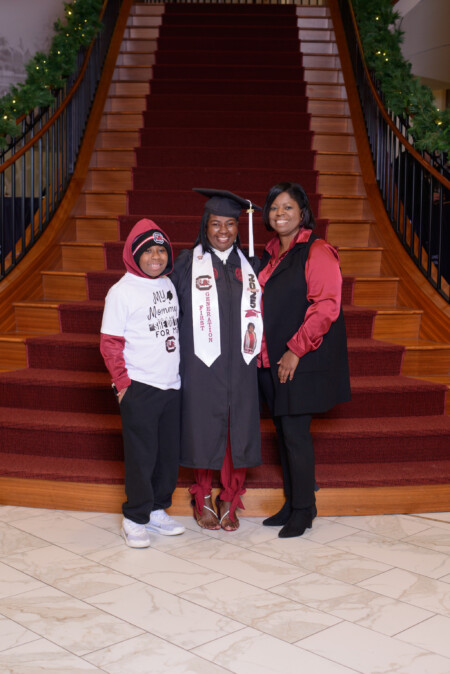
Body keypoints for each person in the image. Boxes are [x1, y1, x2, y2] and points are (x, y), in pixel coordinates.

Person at [258, 182, 351, 538]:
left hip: (299, 357)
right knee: (282, 433)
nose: (280, 214)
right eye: (274, 208)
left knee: (295, 434)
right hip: (269, 358)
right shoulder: (269, 253)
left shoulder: (318, 250)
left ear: (302, 213)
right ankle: (292, 502)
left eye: (288, 207)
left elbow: (326, 306)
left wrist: (295, 349)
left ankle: (304, 510)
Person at [171, 189, 263, 531]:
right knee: (203, 426)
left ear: (239, 228)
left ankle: (230, 497)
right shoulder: (185, 263)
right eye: (215, 224)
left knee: (235, 428)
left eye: (230, 224)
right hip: (201, 363)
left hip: (241, 363)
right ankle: (202, 495)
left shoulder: (251, 266)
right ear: (204, 226)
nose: (222, 231)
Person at [100, 218, 185, 548]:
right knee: (141, 456)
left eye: (161, 250)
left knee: (166, 455)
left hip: (171, 385)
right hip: (140, 386)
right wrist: (123, 385)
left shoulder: (167, 284)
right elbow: (110, 342)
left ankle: (156, 510)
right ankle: (134, 517)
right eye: (147, 251)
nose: (155, 257)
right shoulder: (121, 291)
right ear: (134, 255)